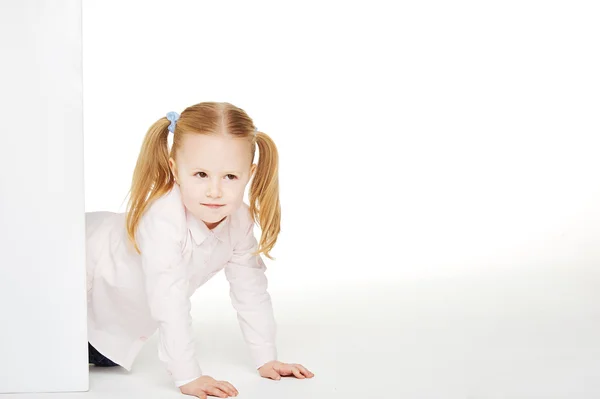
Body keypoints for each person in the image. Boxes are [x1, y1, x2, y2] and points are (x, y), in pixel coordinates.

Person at [85, 102, 314, 398]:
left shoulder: (239, 221)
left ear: (250, 173)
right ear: (174, 169)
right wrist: (188, 376)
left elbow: (251, 290)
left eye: (230, 176)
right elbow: (169, 298)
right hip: (74, 280)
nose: (215, 191)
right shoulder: (163, 219)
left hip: (110, 332)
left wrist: (266, 357)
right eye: (201, 175)